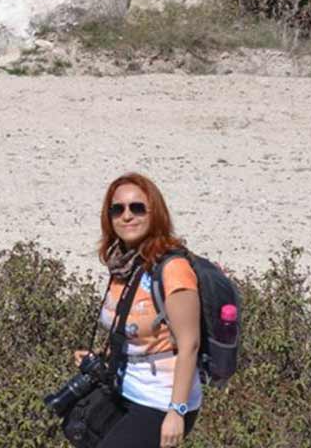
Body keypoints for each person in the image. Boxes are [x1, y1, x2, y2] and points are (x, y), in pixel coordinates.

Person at [75, 172, 202, 448]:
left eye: (137, 208)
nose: (127, 216)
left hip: (161, 401)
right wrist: (101, 357)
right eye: (117, 209)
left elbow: (189, 343)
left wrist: (176, 412)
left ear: (154, 213)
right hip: (125, 390)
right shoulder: (123, 265)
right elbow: (130, 327)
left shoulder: (173, 269)